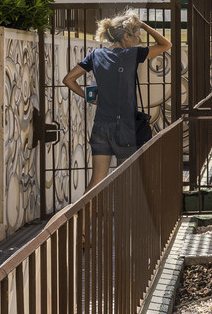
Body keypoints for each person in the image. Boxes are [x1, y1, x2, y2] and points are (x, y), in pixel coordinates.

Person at [62, 14, 172, 187]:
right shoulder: (132, 54)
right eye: (137, 35)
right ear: (126, 36)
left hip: (101, 126)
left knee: (96, 181)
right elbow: (166, 44)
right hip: (125, 128)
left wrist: (89, 97)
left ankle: (82, 214)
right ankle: (124, 214)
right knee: (126, 181)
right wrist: (144, 25)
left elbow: (68, 79)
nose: (139, 40)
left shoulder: (96, 55)